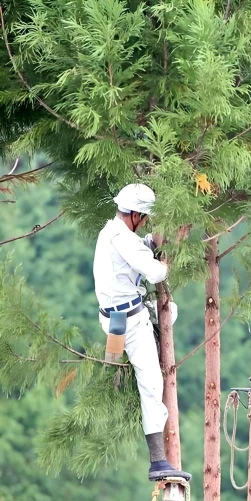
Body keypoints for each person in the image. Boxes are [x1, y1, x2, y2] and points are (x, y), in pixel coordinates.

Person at [93, 183, 191, 482]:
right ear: (135, 214)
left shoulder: (111, 231)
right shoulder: (124, 240)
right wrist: (166, 257)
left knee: (170, 311)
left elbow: (137, 247)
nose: (145, 221)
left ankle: (155, 335)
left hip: (115, 316)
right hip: (130, 321)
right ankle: (158, 461)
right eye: (144, 217)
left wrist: (154, 242)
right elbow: (156, 273)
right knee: (151, 383)